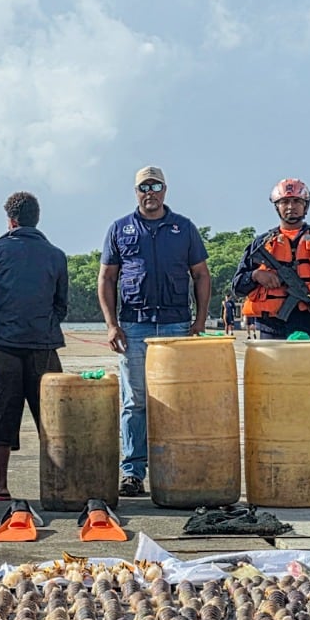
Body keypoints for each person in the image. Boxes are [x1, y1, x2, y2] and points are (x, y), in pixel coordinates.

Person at [97, 165, 211, 498]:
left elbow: (201, 275)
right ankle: (133, 472)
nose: (150, 192)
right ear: (136, 192)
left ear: (165, 190)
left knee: (176, 401)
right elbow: (106, 279)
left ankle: (173, 468)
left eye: (156, 186)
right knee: (135, 401)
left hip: (176, 325)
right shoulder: (120, 230)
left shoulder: (184, 228)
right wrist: (111, 324)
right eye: (144, 187)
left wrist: (200, 321)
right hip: (134, 325)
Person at [0, 191, 68, 502]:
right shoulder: (55, 254)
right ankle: (57, 484)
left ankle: (0, 483)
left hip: (7, 345)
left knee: (1, 416)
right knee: (52, 419)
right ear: (36, 219)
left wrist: (2, 324)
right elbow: (61, 304)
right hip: (44, 345)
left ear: (11, 220)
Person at [233, 178, 310, 340]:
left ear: (306, 205)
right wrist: (255, 276)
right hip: (272, 330)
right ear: (277, 206)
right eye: (285, 202)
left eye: (297, 201)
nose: (291, 206)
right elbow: (237, 286)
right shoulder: (260, 244)